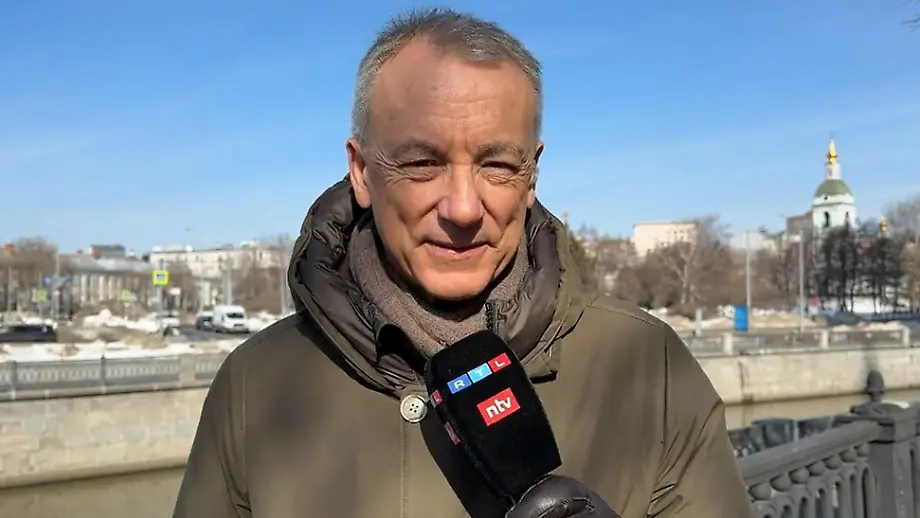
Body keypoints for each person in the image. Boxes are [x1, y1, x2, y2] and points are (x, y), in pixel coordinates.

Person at [173, 8, 753, 518]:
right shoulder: (256, 386)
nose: (463, 209)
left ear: (532, 174)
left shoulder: (648, 367)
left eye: (497, 165)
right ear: (362, 172)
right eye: (422, 163)